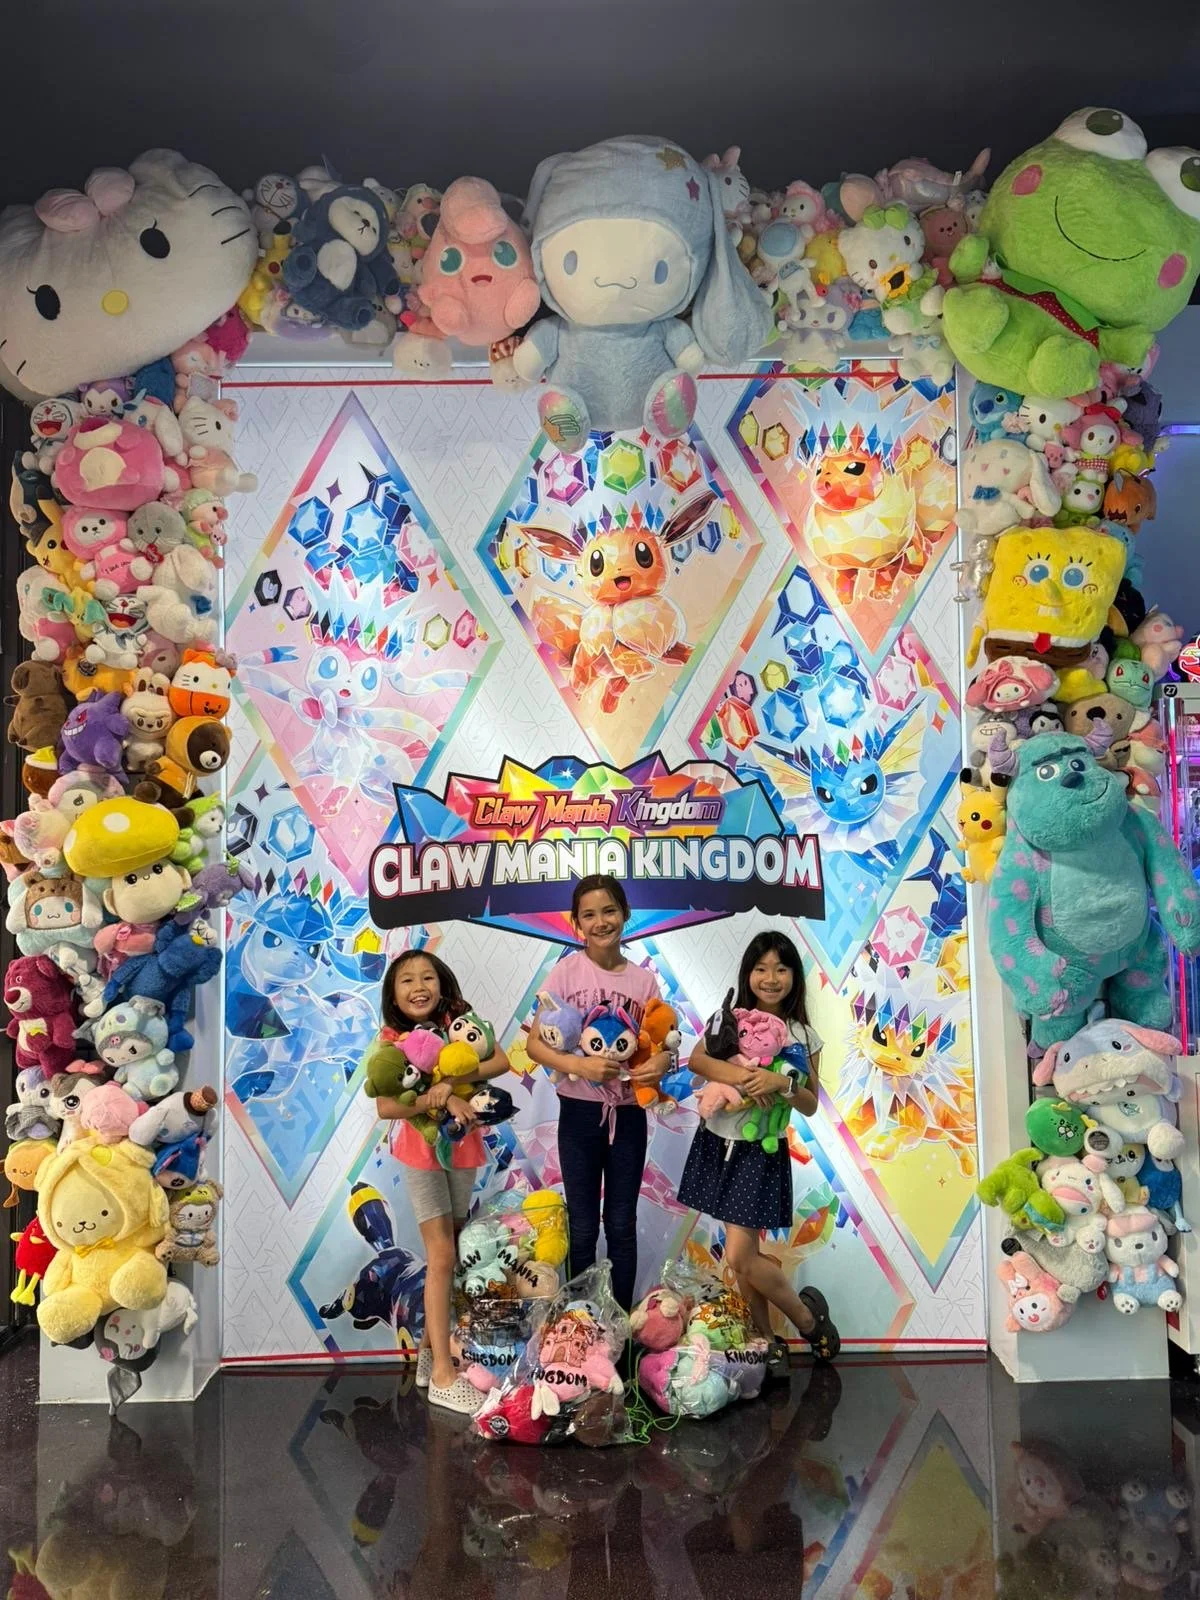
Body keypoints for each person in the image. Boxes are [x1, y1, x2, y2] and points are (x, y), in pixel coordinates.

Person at [679, 930, 840, 1368]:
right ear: (748, 973)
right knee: (743, 1257)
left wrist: (781, 1083)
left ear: (794, 977)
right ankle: (765, 1341)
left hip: (759, 1152)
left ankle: (807, 1319)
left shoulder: (804, 1036)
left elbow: (809, 1103)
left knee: (739, 1255)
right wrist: (741, 1078)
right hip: (718, 1142)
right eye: (762, 968)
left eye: (781, 969)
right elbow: (697, 1060)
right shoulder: (731, 1017)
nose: (771, 978)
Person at [525, 875, 673, 1310]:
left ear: (625, 914)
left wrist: (662, 1063)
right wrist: (579, 1066)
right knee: (585, 1226)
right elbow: (535, 1044)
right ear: (577, 924)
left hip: (627, 1117)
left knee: (621, 1224)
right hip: (579, 1116)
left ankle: (621, 1327)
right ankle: (581, 1322)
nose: (601, 921)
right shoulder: (566, 971)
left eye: (609, 911)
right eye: (589, 914)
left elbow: (662, 1042)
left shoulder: (644, 982)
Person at [372, 948, 511, 1415]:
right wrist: (434, 1100)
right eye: (407, 980)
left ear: (442, 983)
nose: (418, 987)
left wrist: (450, 1086)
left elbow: (502, 1061)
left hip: (464, 1148)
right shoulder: (391, 1041)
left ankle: (434, 1355)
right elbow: (387, 1107)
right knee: (441, 1256)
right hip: (422, 1153)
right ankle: (443, 1379)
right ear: (394, 994)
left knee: (450, 1250)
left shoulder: (460, 1026)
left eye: (427, 977)